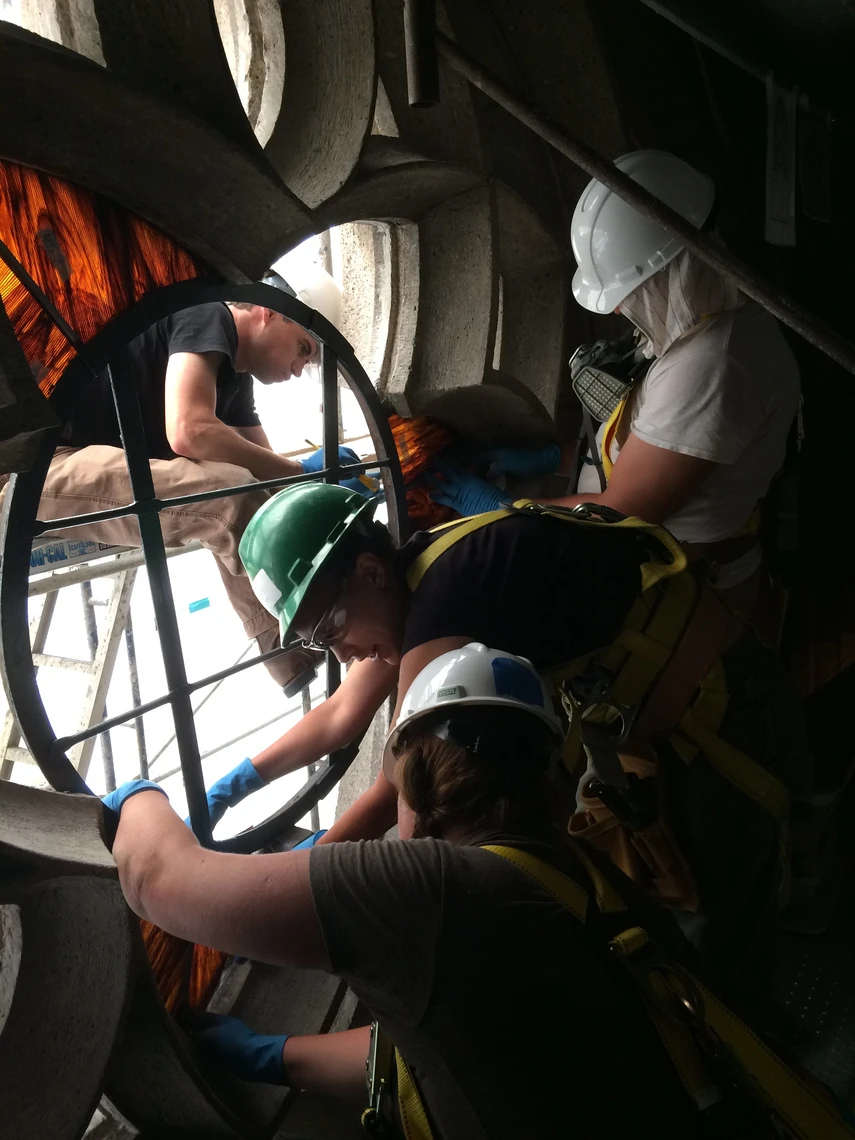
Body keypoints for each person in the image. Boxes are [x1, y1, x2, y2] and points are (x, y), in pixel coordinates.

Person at [200, 481, 808, 1019]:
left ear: (368, 572)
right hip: (701, 707)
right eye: (313, 641)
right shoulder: (428, 569)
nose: (340, 654)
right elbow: (339, 714)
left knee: (724, 946)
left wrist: (284, 882)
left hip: (727, 717)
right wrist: (238, 782)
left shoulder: (444, 602)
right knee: (738, 894)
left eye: (330, 630)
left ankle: (766, 1077)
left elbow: (409, 797)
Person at [103, 646, 716, 1140]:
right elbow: (453, 1045)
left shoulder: (427, 890)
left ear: (416, 776)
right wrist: (276, 1056)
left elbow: (159, 879)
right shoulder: (570, 870)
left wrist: (137, 797)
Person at [428, 150, 800, 622]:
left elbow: (621, 514)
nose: (623, 313)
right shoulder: (699, 331)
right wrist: (552, 457)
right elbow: (640, 452)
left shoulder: (714, 366)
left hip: (690, 592)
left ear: (671, 272)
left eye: (630, 295)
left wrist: (505, 509)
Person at [31, 262, 375, 697]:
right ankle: (303, 633)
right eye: (304, 348)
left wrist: (315, 485)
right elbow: (189, 430)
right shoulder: (208, 315)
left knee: (243, 489)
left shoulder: (234, 380)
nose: (300, 368)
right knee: (226, 496)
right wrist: (300, 473)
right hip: (38, 465)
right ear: (270, 312)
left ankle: (291, 646)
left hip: (85, 457)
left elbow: (264, 477)